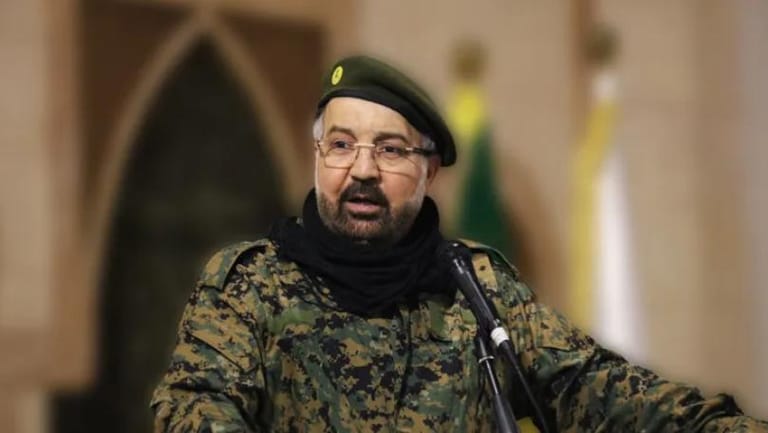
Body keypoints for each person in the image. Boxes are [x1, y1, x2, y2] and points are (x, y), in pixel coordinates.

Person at [150, 55, 767, 433]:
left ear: (429, 170)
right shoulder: (250, 283)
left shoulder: (475, 287)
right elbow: (194, 406)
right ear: (317, 157)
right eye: (340, 145)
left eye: (389, 150)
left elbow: (596, 390)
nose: (361, 170)